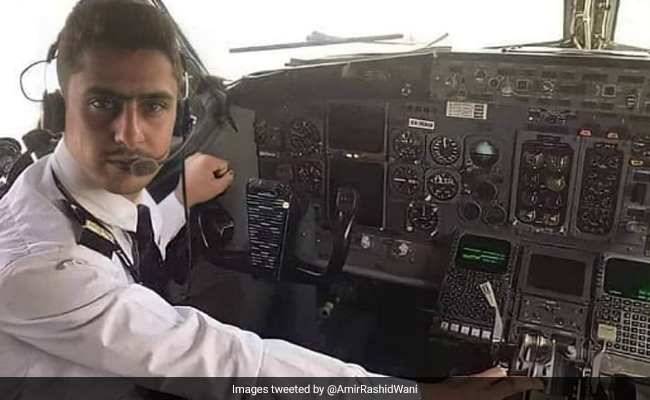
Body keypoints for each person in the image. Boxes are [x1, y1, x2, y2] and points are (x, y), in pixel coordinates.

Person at [0, 0, 542, 399]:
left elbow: (123, 235)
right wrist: (419, 396)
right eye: (103, 104)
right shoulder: (43, 267)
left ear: (179, 113)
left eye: (153, 106)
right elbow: (230, 364)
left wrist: (181, 196)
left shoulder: (59, 187)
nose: (130, 134)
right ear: (57, 108)